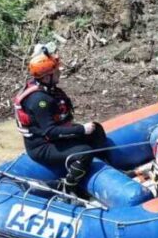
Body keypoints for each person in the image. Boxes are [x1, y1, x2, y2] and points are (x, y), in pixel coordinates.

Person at [13, 48, 107, 191]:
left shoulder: (46, 88)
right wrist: (81, 129)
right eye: (56, 72)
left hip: (54, 139)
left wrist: (84, 130)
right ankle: (68, 187)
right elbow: (50, 131)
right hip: (42, 147)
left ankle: (104, 167)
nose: (59, 73)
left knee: (96, 130)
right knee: (84, 152)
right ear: (45, 77)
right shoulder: (39, 100)